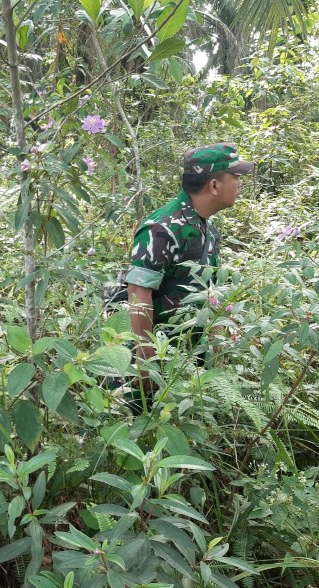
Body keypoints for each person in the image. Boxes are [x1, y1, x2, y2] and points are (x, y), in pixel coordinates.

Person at [125, 142, 254, 400]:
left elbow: (209, 291)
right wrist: (146, 361)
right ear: (214, 185)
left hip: (190, 361)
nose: (240, 183)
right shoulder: (162, 228)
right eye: (236, 177)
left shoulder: (207, 228)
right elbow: (138, 293)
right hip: (160, 358)